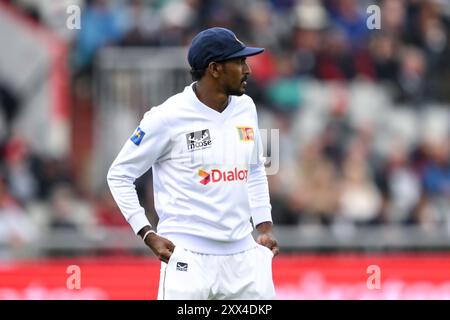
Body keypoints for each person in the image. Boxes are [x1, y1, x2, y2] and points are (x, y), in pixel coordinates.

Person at [107, 27, 279, 300]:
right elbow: (118, 175)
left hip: (245, 258)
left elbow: (255, 169)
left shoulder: (246, 107)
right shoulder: (166, 117)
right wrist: (146, 233)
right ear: (214, 69)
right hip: (188, 258)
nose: (247, 69)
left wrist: (264, 227)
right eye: (239, 62)